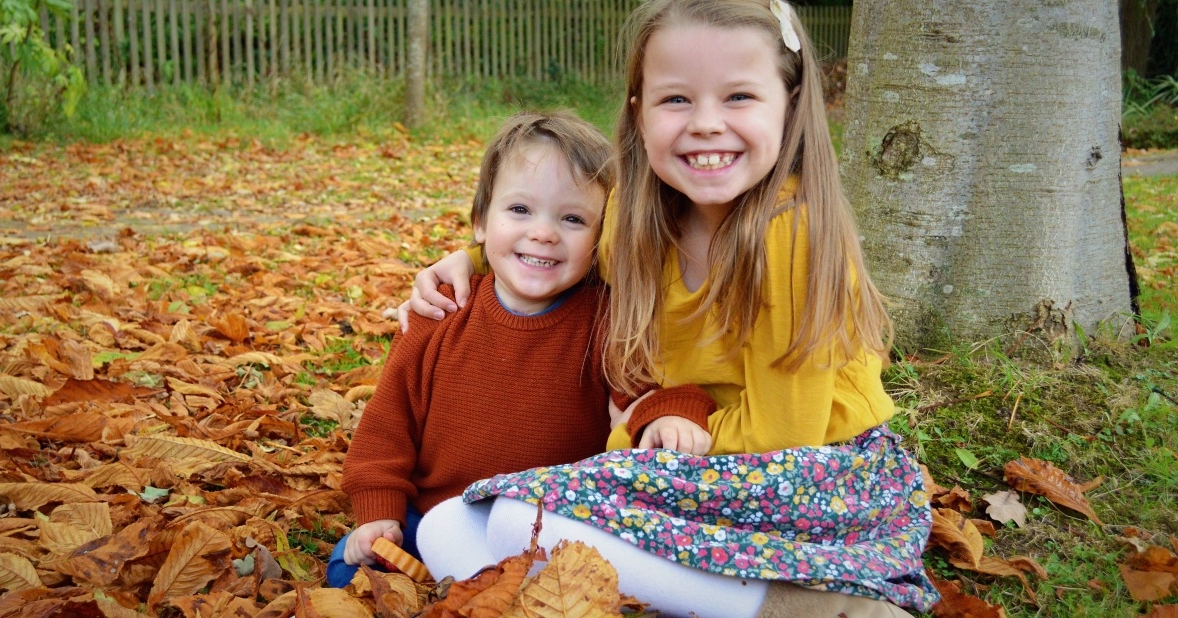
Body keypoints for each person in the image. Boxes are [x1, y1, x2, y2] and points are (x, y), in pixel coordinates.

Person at [404, 1, 940, 616]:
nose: (707, 123)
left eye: (739, 96)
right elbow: (568, 253)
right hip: (698, 469)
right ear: (638, 112)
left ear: (789, 106)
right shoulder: (642, 219)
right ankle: (650, 599)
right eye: (676, 100)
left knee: (516, 522)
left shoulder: (792, 232)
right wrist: (471, 261)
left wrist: (640, 442)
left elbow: (782, 434)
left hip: (808, 485)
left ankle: (808, 607)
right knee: (444, 526)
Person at [330, 110, 716, 589]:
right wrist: (378, 512)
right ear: (480, 222)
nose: (544, 232)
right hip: (430, 512)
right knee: (352, 569)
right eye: (520, 211)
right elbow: (387, 428)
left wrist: (673, 413)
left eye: (572, 218)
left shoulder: (606, 321)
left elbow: (649, 391)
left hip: (549, 526)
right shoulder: (440, 312)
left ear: (602, 242)